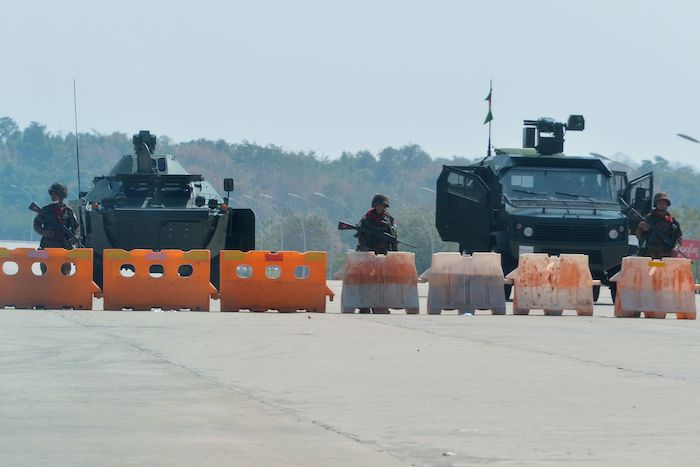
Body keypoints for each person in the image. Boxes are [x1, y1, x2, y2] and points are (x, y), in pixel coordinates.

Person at [355, 193, 398, 314]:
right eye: (378, 206)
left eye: (382, 206)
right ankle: (364, 306)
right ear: (374, 206)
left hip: (383, 254)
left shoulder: (389, 219)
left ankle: (381, 305)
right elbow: (360, 234)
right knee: (366, 280)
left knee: (383, 281)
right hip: (369, 253)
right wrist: (364, 247)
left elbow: (393, 237)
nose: (380, 208)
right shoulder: (367, 218)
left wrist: (394, 254)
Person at [33, 183, 80, 250]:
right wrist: (44, 232)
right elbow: (36, 224)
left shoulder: (68, 211)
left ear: (61, 196)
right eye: (52, 194)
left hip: (64, 245)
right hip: (47, 245)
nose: (52, 196)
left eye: (55, 194)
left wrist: (74, 237)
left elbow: (76, 226)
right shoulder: (46, 210)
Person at [635, 192, 682, 258]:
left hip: (666, 255)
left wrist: (676, 248)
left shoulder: (672, 221)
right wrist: (640, 227)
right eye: (659, 202)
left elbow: (678, 238)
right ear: (656, 204)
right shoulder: (648, 218)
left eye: (664, 203)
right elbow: (639, 236)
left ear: (667, 204)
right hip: (649, 254)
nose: (661, 204)